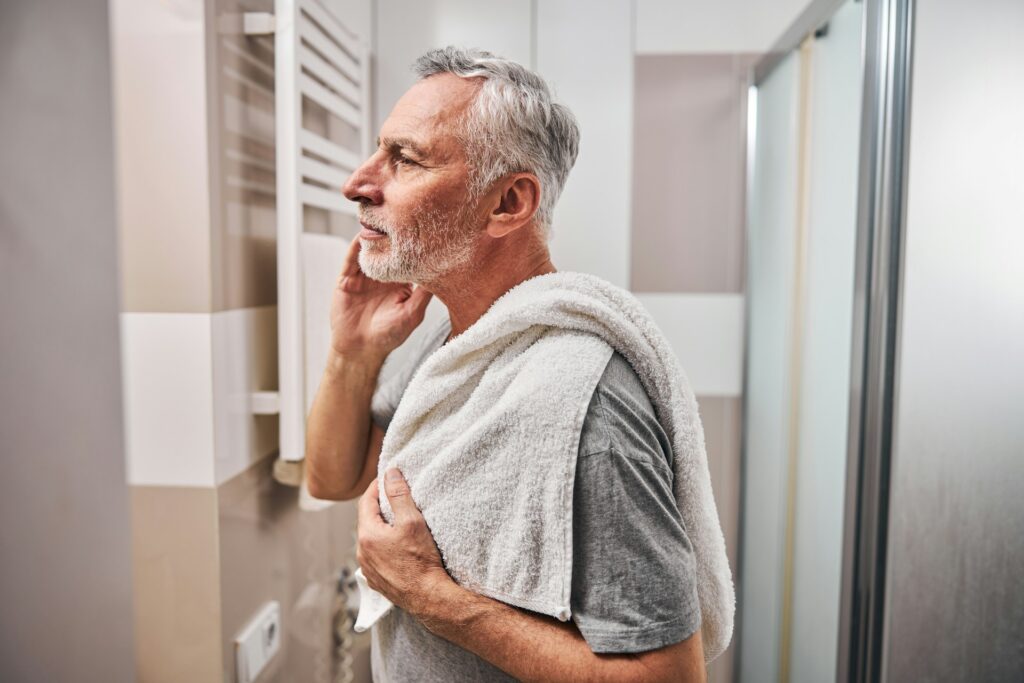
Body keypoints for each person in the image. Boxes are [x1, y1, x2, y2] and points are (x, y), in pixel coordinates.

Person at [305, 46, 706, 682]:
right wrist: (352, 351)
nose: (358, 182)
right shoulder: (456, 347)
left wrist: (431, 597)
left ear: (508, 204)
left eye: (404, 159)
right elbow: (334, 476)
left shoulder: (581, 403)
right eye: (379, 151)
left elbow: (670, 676)